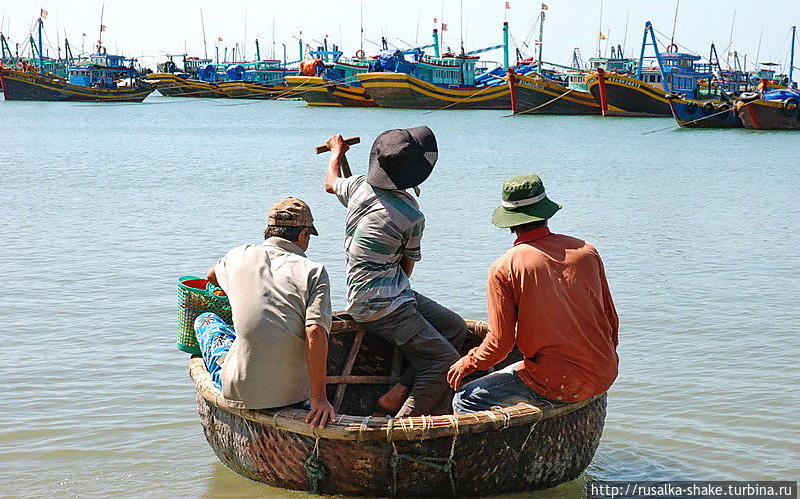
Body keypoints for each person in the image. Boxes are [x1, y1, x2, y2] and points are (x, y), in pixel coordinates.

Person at [324, 127, 467, 417]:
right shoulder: (411, 215)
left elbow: (330, 183)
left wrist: (335, 153)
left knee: (455, 328)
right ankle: (401, 424)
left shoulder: (359, 187)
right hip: (383, 305)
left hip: (365, 295)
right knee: (443, 364)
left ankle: (399, 391)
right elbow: (407, 266)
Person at [448, 174, 619, 413]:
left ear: (510, 221)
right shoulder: (586, 251)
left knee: (465, 398)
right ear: (545, 212)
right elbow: (610, 320)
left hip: (556, 382)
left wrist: (467, 363)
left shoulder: (504, 267)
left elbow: (500, 345)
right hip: (604, 371)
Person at [194, 197, 336, 428]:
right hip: (294, 396)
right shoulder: (314, 271)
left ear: (269, 231)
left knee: (205, 319)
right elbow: (315, 332)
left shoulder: (239, 254)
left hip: (241, 391)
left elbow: (210, 276)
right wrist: (319, 399)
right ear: (302, 236)